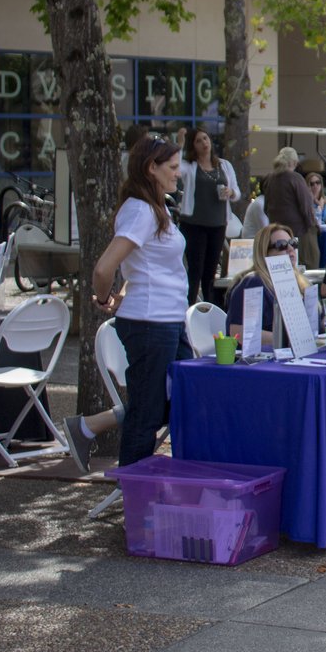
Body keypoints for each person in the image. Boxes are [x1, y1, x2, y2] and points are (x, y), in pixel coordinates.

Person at [80, 135, 192, 470]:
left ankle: (92, 427)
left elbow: (143, 264)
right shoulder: (141, 211)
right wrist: (104, 298)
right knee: (146, 413)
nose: (178, 173)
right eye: (172, 167)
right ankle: (135, 497)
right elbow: (103, 267)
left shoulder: (155, 208)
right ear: (151, 169)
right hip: (149, 322)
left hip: (167, 319)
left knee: (181, 397)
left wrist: (125, 288)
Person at [225, 224, 318, 347]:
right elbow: (239, 333)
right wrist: (289, 341)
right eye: (282, 245)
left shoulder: (302, 283)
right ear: (265, 253)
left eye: (293, 243)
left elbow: (318, 324)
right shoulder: (253, 283)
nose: (290, 249)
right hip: (261, 361)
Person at [177, 127, 240, 306]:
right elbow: (177, 167)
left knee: (211, 271)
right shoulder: (190, 167)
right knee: (195, 269)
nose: (204, 143)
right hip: (194, 224)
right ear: (193, 146)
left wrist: (231, 192)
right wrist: (179, 144)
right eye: (198, 141)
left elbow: (237, 192)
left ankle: (211, 306)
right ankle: (190, 307)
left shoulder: (224, 165)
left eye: (205, 139)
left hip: (218, 223)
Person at [262, 147, 319, 269]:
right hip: (299, 232)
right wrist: (312, 225)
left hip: (277, 234)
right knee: (309, 264)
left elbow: (266, 207)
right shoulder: (296, 178)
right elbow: (306, 206)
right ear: (294, 162)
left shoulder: (270, 179)